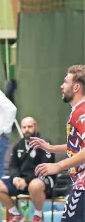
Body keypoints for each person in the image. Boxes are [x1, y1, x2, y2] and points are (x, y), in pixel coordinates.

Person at [30, 65, 85, 222]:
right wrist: (51, 148)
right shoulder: (77, 111)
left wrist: (58, 166)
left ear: (76, 87)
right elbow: (79, 146)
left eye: (65, 81)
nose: (61, 86)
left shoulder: (81, 112)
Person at [0, 117, 55, 222]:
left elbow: (45, 168)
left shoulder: (44, 143)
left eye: (29, 126)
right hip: (21, 182)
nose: (27, 130)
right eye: (24, 127)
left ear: (36, 127)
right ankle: (15, 213)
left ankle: (38, 215)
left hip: (42, 180)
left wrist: (27, 180)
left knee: (34, 185)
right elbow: (12, 166)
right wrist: (16, 178)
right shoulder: (18, 145)